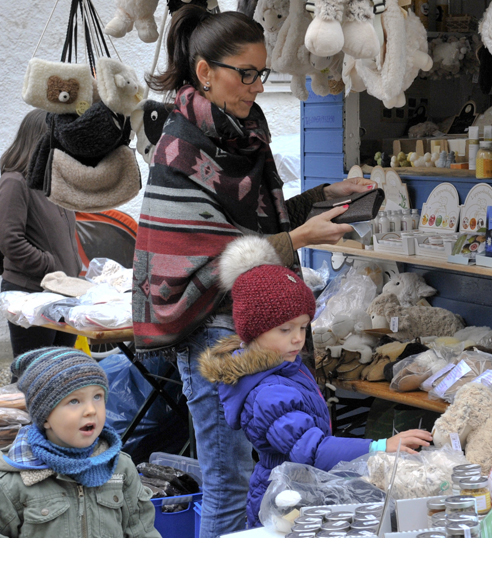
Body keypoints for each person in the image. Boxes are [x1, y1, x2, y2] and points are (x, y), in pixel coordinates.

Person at [135, 6, 374, 537]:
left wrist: (322, 198)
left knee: (260, 481)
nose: (258, 87)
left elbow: (248, 220)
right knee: (232, 480)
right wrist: (295, 240)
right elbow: (204, 254)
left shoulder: (242, 136)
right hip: (211, 334)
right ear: (204, 72)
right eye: (246, 74)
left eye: (263, 74)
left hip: (248, 322)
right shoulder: (182, 147)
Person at [199, 236, 433, 527]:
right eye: (285, 329)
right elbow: (314, 451)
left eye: (302, 326)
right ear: (253, 332)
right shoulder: (267, 394)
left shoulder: (282, 365)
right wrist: (380, 446)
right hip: (283, 501)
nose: (298, 338)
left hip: (301, 488)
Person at [0, 347, 160, 538]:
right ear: (45, 418)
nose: (91, 410)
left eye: (97, 397)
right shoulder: (15, 480)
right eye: (75, 401)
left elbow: (143, 533)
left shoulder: (120, 468)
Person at [0, 109, 81, 364]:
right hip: (31, 295)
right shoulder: (14, 182)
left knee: (60, 376)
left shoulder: (53, 184)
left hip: (63, 293)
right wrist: (50, 265)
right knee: (32, 375)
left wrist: (74, 268)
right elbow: (10, 241)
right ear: (39, 140)